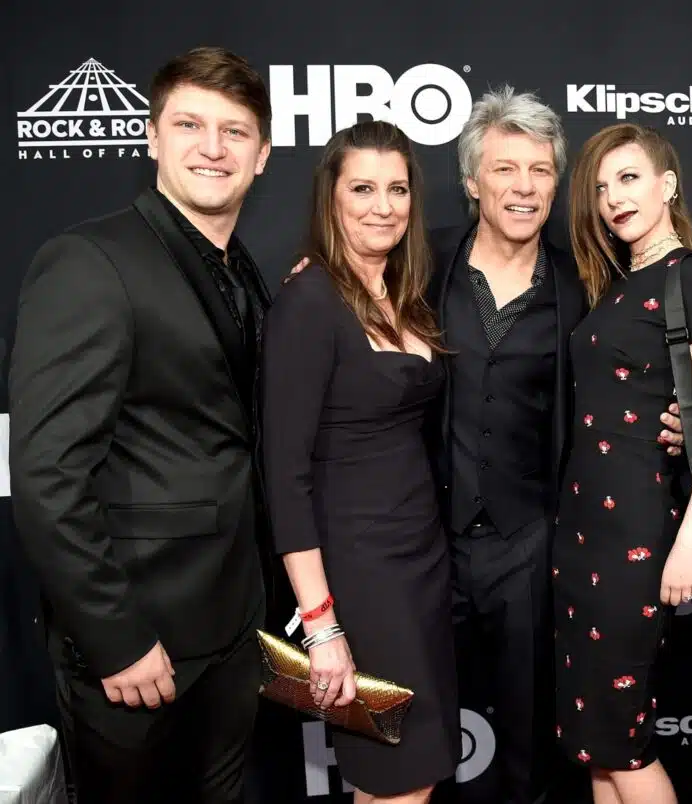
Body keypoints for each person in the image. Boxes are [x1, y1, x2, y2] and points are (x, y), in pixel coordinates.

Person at [8, 47, 272, 803]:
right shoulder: (91, 261)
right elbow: (48, 475)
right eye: (190, 124)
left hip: (230, 632)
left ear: (262, 154)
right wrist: (115, 638)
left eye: (235, 130)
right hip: (138, 644)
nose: (213, 147)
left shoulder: (241, 269)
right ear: (152, 138)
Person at [425, 88, 684, 804]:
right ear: (473, 182)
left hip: (533, 545)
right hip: (425, 541)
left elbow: (642, 371)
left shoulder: (588, 284)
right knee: (411, 743)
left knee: (540, 747)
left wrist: (678, 417)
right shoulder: (420, 258)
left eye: (540, 170)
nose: (525, 187)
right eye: (505, 170)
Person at [262, 120, 457, 803]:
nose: (383, 205)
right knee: (396, 780)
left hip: (423, 567)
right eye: (363, 188)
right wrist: (322, 625)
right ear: (331, 199)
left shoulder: (404, 292)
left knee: (409, 776)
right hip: (361, 578)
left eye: (397, 188)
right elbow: (285, 476)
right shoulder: (309, 301)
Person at [553, 122, 692, 804]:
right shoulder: (615, 286)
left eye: (629, 178)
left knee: (624, 747)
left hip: (638, 535)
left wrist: (690, 542)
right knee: (599, 749)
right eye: (601, 187)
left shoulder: (691, 278)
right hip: (581, 538)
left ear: (667, 186)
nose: (613, 198)